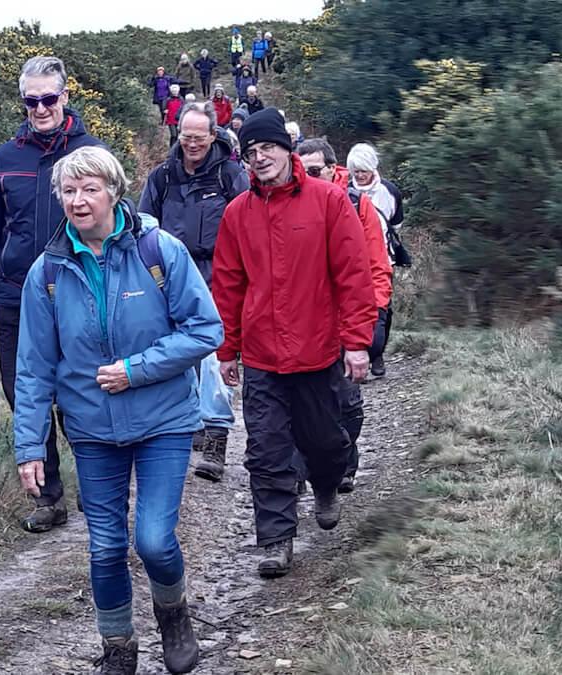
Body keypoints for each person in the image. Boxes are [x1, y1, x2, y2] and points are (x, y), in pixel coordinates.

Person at [15, 145, 223, 674]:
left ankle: (173, 616)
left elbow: (206, 330)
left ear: (113, 191)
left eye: (90, 189)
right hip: (90, 428)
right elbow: (35, 366)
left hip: (164, 422)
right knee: (105, 548)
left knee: (153, 540)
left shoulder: (160, 250)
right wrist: (29, 445)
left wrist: (137, 369)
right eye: (68, 191)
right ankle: (118, 649)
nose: (78, 201)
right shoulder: (48, 272)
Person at [211, 108, 375, 579]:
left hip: (319, 350)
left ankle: (325, 485)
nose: (260, 158)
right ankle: (276, 539)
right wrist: (227, 349)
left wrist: (356, 342)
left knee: (323, 442)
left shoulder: (328, 201)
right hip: (263, 355)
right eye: (251, 153)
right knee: (266, 450)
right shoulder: (237, 213)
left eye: (268, 149)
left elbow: (353, 275)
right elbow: (228, 285)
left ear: (286, 150)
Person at [0, 55, 106, 533]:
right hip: (12, 300)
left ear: (65, 97)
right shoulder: (3, 159)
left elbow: (110, 230)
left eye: (49, 99)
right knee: (24, 397)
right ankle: (50, 498)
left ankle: (97, 487)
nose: (41, 108)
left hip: (75, 299)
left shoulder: (91, 153)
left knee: (80, 399)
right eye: (31, 101)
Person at [139, 102, 250, 484]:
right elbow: (144, 226)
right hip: (169, 276)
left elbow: (248, 226)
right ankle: (186, 425)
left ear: (213, 135)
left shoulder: (231, 175)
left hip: (221, 274)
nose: (192, 144)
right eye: (186, 136)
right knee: (175, 352)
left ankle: (216, 435)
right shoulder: (161, 177)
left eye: (199, 137)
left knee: (216, 353)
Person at [297, 137, 394, 493]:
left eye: (314, 170)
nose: (307, 176)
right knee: (300, 401)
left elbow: (375, 263)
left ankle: (343, 465)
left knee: (346, 402)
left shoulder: (355, 203)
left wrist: (377, 309)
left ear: (332, 169)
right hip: (303, 319)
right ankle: (300, 468)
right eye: (302, 169)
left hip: (346, 317)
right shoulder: (286, 200)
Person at [346, 143, 404, 378]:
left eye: (363, 170)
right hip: (356, 257)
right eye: (356, 171)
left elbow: (397, 222)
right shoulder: (345, 191)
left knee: (384, 306)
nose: (360, 175)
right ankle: (360, 349)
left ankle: (378, 352)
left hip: (385, 256)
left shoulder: (389, 191)